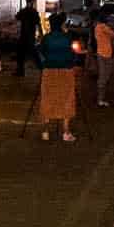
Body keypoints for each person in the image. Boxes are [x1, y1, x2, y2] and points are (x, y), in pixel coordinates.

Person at [37, 12, 78, 144]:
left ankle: (45, 131)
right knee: (66, 98)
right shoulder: (67, 38)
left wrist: (43, 65)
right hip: (66, 71)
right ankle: (65, 131)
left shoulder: (46, 38)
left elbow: (40, 52)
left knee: (48, 98)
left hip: (49, 70)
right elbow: (73, 54)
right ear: (62, 24)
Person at [93, 9, 114, 108]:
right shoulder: (103, 27)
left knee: (103, 75)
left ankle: (100, 98)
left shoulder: (97, 27)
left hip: (100, 53)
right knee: (105, 76)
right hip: (106, 54)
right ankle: (100, 99)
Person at [15, 0, 43, 77]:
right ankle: (42, 69)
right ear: (33, 2)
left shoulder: (24, 11)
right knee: (34, 54)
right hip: (30, 36)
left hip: (24, 35)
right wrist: (41, 33)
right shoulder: (34, 12)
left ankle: (20, 71)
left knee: (21, 54)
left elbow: (17, 17)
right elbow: (38, 23)